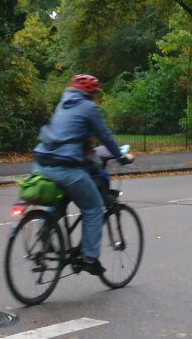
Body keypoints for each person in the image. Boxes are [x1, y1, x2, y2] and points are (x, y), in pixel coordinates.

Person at [33, 75, 135, 273]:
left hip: (42, 163)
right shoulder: (90, 108)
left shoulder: (63, 103)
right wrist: (122, 158)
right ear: (90, 94)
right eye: (94, 94)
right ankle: (89, 259)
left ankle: (46, 227)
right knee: (94, 207)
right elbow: (105, 136)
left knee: (59, 200)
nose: (95, 99)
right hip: (65, 167)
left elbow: (73, 136)